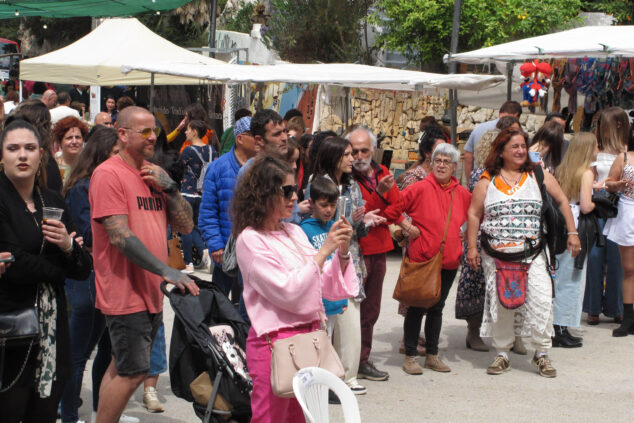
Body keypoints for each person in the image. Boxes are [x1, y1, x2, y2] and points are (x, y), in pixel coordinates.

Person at [89, 106, 199, 423]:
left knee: (122, 366)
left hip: (150, 290)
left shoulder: (153, 173)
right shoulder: (108, 174)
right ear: (122, 134)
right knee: (135, 370)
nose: (154, 136)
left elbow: (186, 226)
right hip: (125, 291)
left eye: (155, 130)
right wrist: (166, 270)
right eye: (145, 131)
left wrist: (172, 188)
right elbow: (119, 235)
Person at [233, 154, 358, 422]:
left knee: (302, 418)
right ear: (264, 193)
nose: (294, 196)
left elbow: (324, 285)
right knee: (270, 418)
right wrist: (324, 251)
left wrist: (343, 253)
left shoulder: (294, 232)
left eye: (295, 189)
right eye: (286, 190)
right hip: (274, 346)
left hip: (307, 340)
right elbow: (287, 290)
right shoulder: (250, 240)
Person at [467, 129, 580, 378]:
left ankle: (541, 354)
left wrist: (572, 233)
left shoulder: (537, 174)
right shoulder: (487, 180)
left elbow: (562, 200)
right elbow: (474, 213)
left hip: (533, 253)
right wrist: (472, 247)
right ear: (501, 151)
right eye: (515, 146)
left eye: (522, 146)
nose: (520, 151)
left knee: (541, 300)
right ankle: (502, 354)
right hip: (496, 256)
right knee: (501, 303)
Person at [0, 119, 92, 422]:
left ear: (42, 154)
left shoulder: (51, 200)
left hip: (52, 333)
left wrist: (67, 245)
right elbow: (13, 264)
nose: (22, 155)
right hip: (9, 330)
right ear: (2, 155)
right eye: (13, 148)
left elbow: (82, 268)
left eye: (29, 148)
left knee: (44, 413)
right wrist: (59, 265)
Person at [310, 136, 384, 395]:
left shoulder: (352, 186)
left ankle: (348, 377)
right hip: (326, 260)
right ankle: (325, 379)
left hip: (349, 260)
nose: (353, 159)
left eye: (354, 153)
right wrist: (349, 222)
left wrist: (364, 221)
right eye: (347, 154)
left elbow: (356, 230)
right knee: (326, 324)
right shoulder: (317, 184)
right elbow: (317, 223)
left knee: (350, 320)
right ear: (333, 157)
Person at [60, 126, 120, 423]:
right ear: (101, 154)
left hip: (103, 277)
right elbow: (86, 234)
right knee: (77, 355)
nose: (121, 160)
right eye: (116, 154)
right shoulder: (84, 186)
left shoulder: (99, 182)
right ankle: (69, 416)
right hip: (86, 280)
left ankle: (100, 413)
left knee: (105, 352)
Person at [397, 144, 471, 374]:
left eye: (446, 162)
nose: (440, 165)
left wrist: (466, 233)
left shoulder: (462, 194)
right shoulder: (419, 188)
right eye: (437, 160)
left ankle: (432, 354)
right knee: (417, 307)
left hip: (448, 260)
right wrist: (406, 226)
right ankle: (410, 356)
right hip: (422, 258)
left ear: (455, 167)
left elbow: (477, 215)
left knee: (437, 308)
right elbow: (393, 207)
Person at [456, 115, 522, 354]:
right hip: (484, 235)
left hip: (508, 237)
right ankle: (474, 331)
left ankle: (514, 334)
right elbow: (474, 210)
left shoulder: (519, 174)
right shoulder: (481, 176)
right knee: (476, 284)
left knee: (512, 284)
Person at [346, 124, 401, 382]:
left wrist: (378, 214)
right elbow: (359, 212)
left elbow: (396, 209)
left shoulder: (384, 173)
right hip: (357, 249)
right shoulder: (346, 177)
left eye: (363, 150)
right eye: (354, 150)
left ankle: (362, 359)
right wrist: (379, 199)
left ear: (373, 150)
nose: (358, 156)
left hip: (378, 247)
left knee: (371, 309)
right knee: (350, 308)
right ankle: (348, 360)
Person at [395, 124, 448, 355]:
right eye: (439, 149)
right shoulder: (414, 177)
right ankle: (409, 338)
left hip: (434, 242)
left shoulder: (438, 176)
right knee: (415, 289)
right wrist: (409, 231)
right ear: (428, 152)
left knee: (429, 289)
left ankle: (416, 334)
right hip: (417, 242)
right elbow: (401, 208)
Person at [199, 116, 257, 302]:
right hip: (225, 248)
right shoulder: (217, 168)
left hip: (254, 250)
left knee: (247, 303)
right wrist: (215, 244)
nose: (258, 139)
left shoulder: (262, 167)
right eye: (253, 135)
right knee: (220, 301)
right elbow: (208, 210)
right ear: (240, 138)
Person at [551, 132, 598, 348]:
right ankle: (562, 328)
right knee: (573, 279)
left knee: (560, 277)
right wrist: (601, 202)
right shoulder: (586, 172)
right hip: (577, 226)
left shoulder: (563, 168)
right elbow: (587, 205)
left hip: (561, 223)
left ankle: (557, 327)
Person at [584, 107, 629, 325]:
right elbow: (588, 175)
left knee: (618, 259)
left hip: (620, 205)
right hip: (598, 204)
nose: (601, 128)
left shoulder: (627, 152)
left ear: (618, 125)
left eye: (605, 123)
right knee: (594, 257)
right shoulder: (594, 149)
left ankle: (616, 306)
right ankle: (592, 306)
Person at [300, 175, 348, 334]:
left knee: (327, 345)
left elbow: (340, 265)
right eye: (324, 205)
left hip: (333, 302)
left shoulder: (334, 227)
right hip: (315, 303)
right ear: (311, 203)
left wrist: (343, 297)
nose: (329, 210)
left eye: (333, 205)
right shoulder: (303, 230)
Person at [604, 127, 634, 337]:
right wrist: (619, 184)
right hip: (628, 211)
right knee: (629, 268)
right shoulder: (624, 157)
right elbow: (608, 184)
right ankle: (628, 318)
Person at [179, 119, 216, 274]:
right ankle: (205, 252)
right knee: (197, 226)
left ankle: (189, 263)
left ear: (194, 131)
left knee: (186, 228)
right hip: (203, 193)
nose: (185, 132)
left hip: (187, 192)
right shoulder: (211, 151)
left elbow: (178, 168)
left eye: (187, 129)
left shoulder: (187, 151)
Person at [463, 101, 522, 178]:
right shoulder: (516, 131)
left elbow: (468, 157)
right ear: (516, 115)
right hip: (504, 178)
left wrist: (469, 181)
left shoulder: (479, 128)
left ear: (500, 112)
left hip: (479, 176)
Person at [53, 116, 89, 184]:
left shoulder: (88, 166)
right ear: (60, 142)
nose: (74, 141)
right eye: (69, 138)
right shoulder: (53, 166)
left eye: (78, 137)